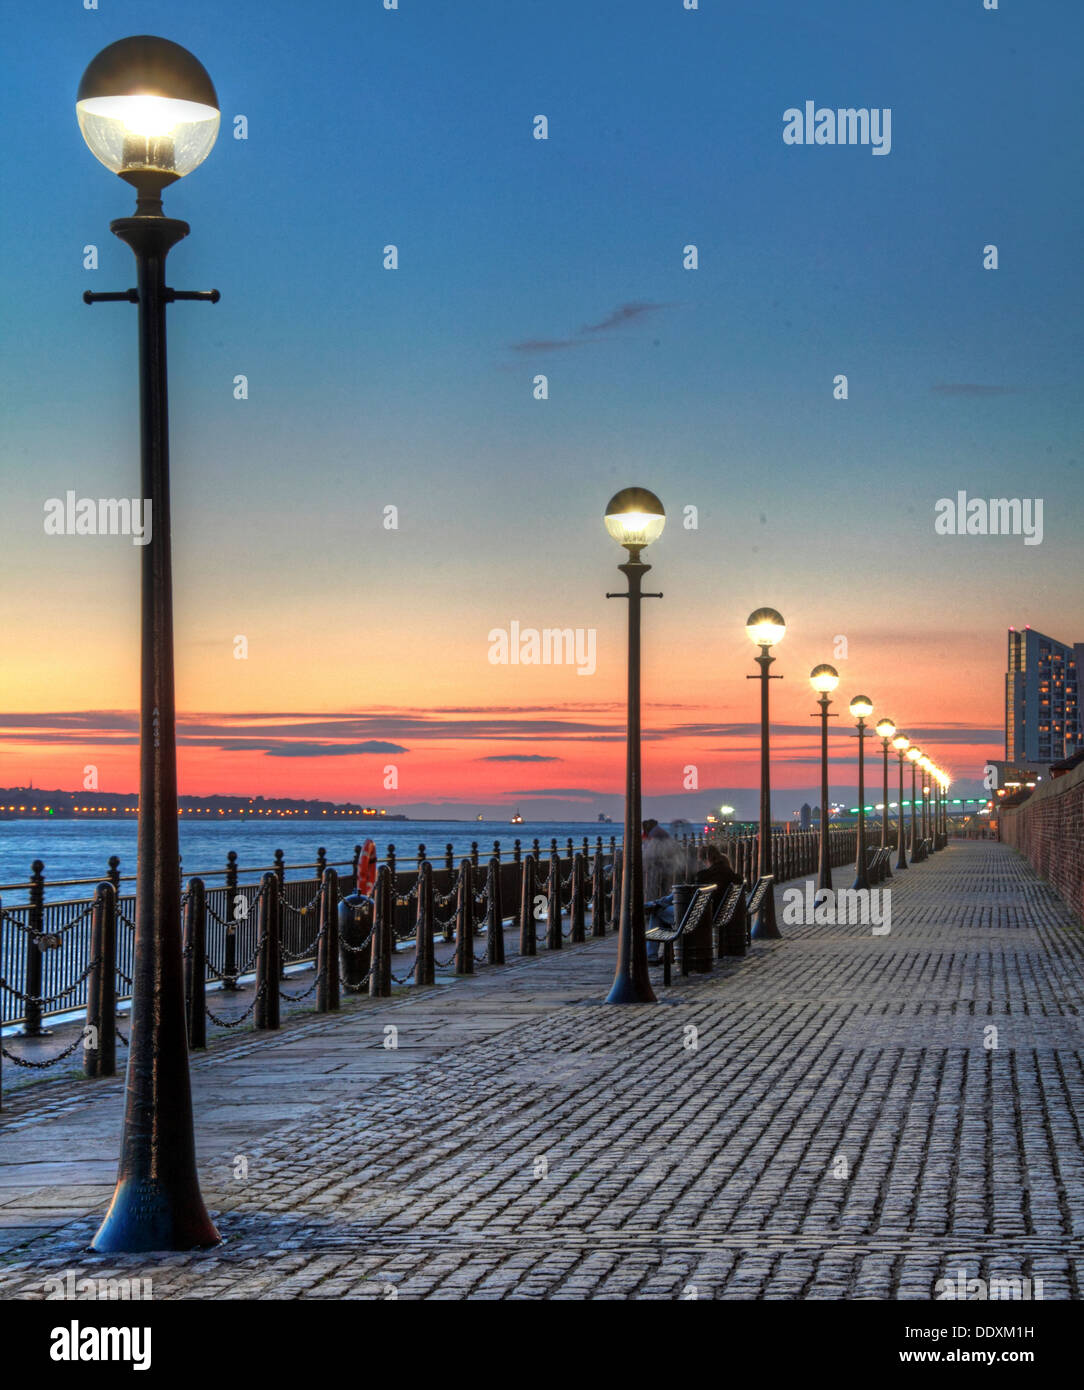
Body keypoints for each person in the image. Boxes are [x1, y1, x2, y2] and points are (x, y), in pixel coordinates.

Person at [642, 821, 688, 963]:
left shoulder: (655, 833)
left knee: (656, 912)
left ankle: (651, 956)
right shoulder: (660, 832)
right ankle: (653, 955)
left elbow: (648, 851)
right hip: (692, 913)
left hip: (685, 916)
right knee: (660, 909)